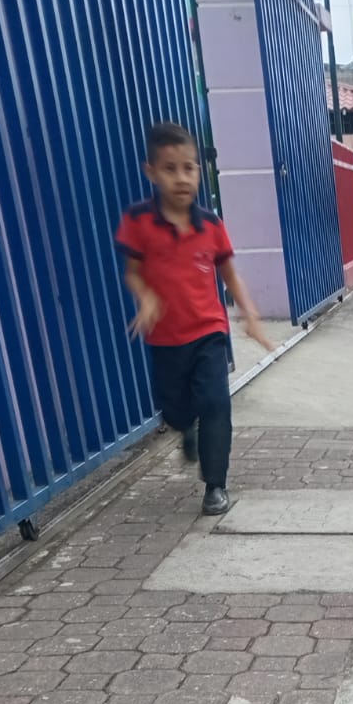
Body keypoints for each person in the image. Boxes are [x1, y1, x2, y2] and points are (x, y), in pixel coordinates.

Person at [115, 122, 270, 518]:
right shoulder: (138, 222)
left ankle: (215, 485)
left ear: (199, 171)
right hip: (166, 340)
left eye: (188, 168)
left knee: (216, 404)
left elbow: (229, 274)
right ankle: (186, 427)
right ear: (151, 172)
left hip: (208, 333)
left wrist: (249, 313)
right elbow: (133, 272)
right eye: (170, 169)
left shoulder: (211, 225)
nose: (181, 178)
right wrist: (146, 297)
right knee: (175, 410)